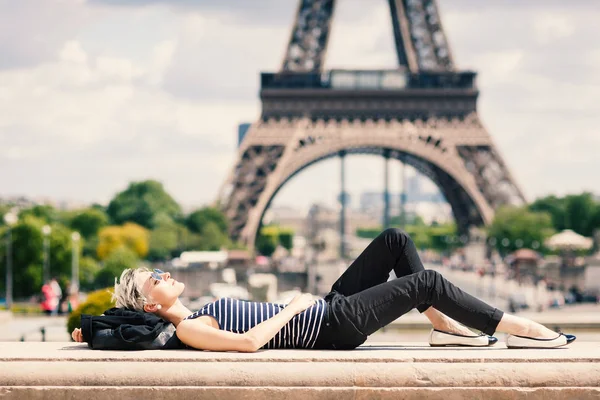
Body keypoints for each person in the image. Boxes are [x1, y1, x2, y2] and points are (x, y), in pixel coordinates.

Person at [71, 229, 575, 351]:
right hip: (331, 326)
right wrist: (291, 306)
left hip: (328, 308)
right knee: (426, 281)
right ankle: (518, 327)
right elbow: (248, 345)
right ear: (150, 305)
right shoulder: (190, 328)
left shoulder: (197, 312)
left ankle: (444, 327)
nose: (161, 275)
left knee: (396, 241)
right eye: (152, 281)